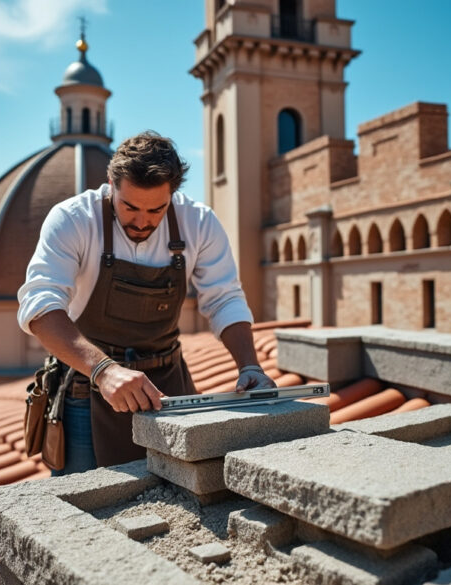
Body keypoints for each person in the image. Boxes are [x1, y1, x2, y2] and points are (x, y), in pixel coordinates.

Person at [18, 131, 276, 474]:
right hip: (88, 391)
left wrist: (250, 366)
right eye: (130, 207)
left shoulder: (198, 223)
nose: (142, 221)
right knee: (90, 506)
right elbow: (40, 305)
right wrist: (103, 369)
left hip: (168, 388)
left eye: (157, 209)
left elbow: (224, 297)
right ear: (111, 184)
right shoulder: (73, 219)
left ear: (173, 194)